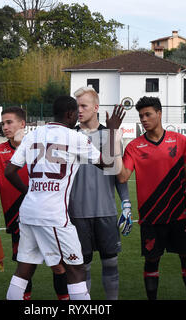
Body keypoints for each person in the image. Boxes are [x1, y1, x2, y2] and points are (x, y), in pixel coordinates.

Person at [4, 96, 124, 300]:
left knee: (24, 268)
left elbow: (9, 171)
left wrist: (28, 191)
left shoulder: (33, 135)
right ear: (69, 114)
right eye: (75, 113)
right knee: (76, 270)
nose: (77, 117)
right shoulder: (75, 138)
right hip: (54, 215)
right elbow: (110, 165)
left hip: (29, 211)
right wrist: (112, 132)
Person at [0, 106, 70, 300]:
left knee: (58, 265)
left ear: (22, 124)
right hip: (17, 218)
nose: (5, 127)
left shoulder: (38, 146)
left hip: (46, 215)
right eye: (3, 123)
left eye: (9, 122)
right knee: (24, 265)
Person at [116, 96, 186, 300]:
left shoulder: (180, 141)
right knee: (152, 261)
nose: (143, 119)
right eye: (141, 115)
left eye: (148, 114)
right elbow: (123, 176)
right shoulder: (134, 146)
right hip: (151, 218)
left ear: (159, 114)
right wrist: (113, 140)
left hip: (179, 215)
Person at [69, 86, 130, 300]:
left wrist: (126, 204)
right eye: (76, 106)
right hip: (77, 213)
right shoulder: (70, 136)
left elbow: (120, 176)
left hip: (105, 211)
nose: (79, 110)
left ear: (96, 107)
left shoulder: (110, 134)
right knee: (81, 267)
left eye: (83, 106)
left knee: (110, 264)